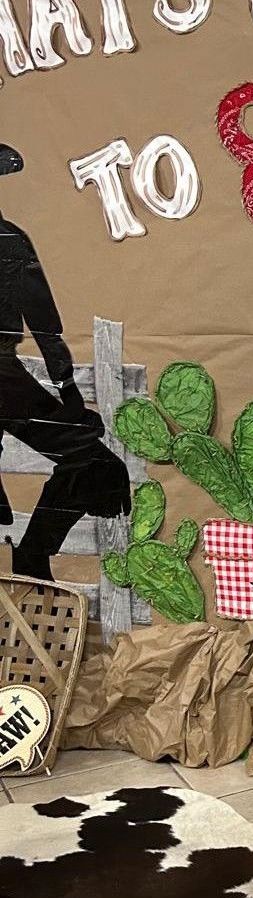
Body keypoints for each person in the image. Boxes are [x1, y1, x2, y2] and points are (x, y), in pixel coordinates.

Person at [0, 141, 131, 580]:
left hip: (3, 378)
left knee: (96, 463)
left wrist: (68, 393)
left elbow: (45, 326)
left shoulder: (10, 241)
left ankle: (33, 555)